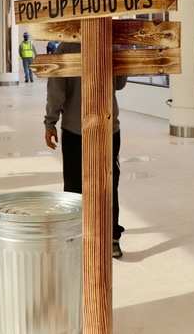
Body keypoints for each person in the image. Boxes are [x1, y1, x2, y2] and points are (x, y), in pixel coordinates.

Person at [44, 42, 127, 258]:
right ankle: (110, 238)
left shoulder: (66, 46)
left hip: (78, 128)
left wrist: (50, 122)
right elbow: (120, 83)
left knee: (74, 184)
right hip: (104, 127)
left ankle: (76, 235)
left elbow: (56, 89)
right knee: (108, 184)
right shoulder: (110, 43)